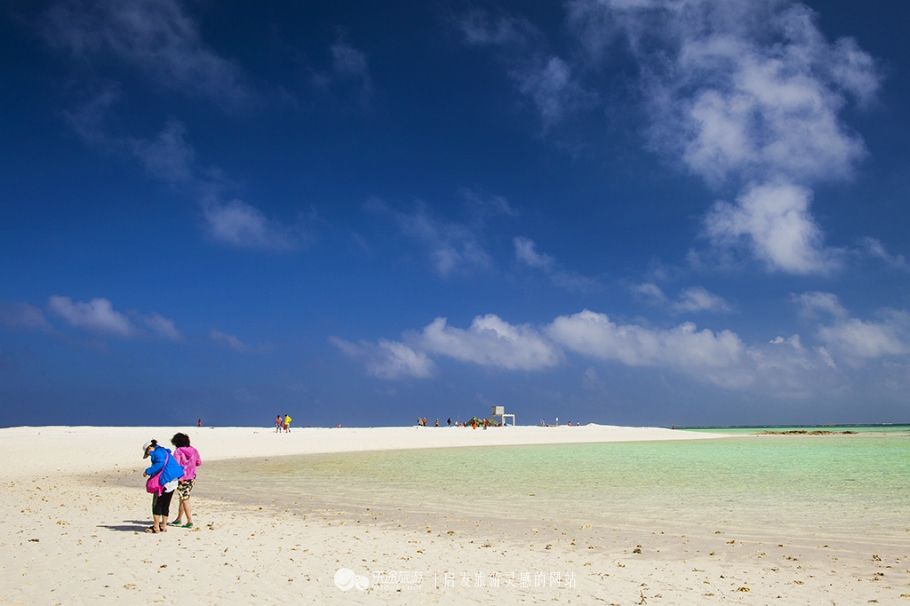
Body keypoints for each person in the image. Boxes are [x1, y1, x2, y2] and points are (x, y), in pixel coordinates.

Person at [142, 439, 185, 534]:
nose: (149, 455)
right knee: (166, 503)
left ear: (149, 448)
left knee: (157, 504)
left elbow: (160, 464)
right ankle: (164, 525)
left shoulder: (157, 453)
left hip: (165, 481)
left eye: (148, 453)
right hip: (173, 480)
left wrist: (148, 471)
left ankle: (156, 527)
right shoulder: (165, 451)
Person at [169, 433, 202, 529]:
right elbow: (199, 462)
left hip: (182, 479)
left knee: (184, 499)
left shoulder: (178, 451)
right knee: (182, 498)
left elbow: (175, 466)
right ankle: (178, 519)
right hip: (192, 478)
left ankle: (189, 521)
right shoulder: (194, 450)